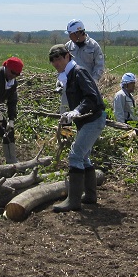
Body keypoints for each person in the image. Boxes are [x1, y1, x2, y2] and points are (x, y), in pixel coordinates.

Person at [48, 44, 106, 212]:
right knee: (84, 157)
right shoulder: (66, 76)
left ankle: (73, 202)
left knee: (75, 156)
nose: (56, 62)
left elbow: (91, 98)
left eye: (58, 58)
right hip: (85, 120)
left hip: (93, 119)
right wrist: (69, 115)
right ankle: (90, 196)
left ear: (67, 56)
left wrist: (77, 110)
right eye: (52, 60)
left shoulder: (79, 73)